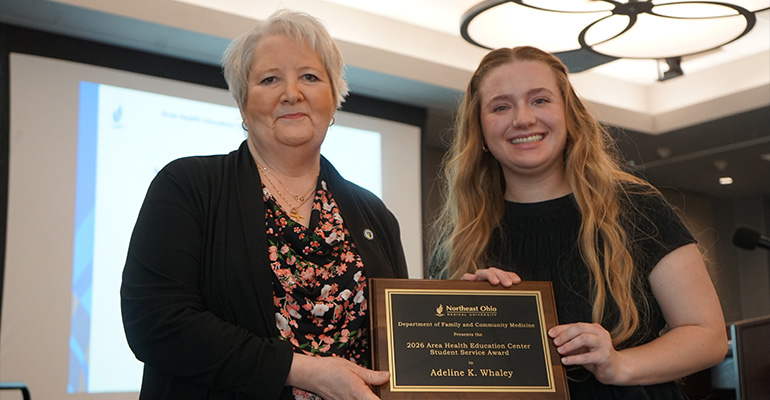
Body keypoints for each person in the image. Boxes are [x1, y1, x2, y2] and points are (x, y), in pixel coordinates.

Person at [121, 10, 408, 400]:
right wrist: (303, 371)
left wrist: (463, 307)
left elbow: (395, 343)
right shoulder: (187, 187)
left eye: (310, 76)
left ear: (334, 96)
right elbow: (156, 323)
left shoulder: (374, 213)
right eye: (270, 79)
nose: (292, 93)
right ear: (242, 103)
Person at [429, 46, 727, 399]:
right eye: (500, 106)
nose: (523, 119)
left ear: (569, 113)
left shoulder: (636, 206)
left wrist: (618, 364)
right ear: (479, 129)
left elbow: (708, 336)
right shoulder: (459, 238)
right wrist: (464, 316)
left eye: (540, 100)